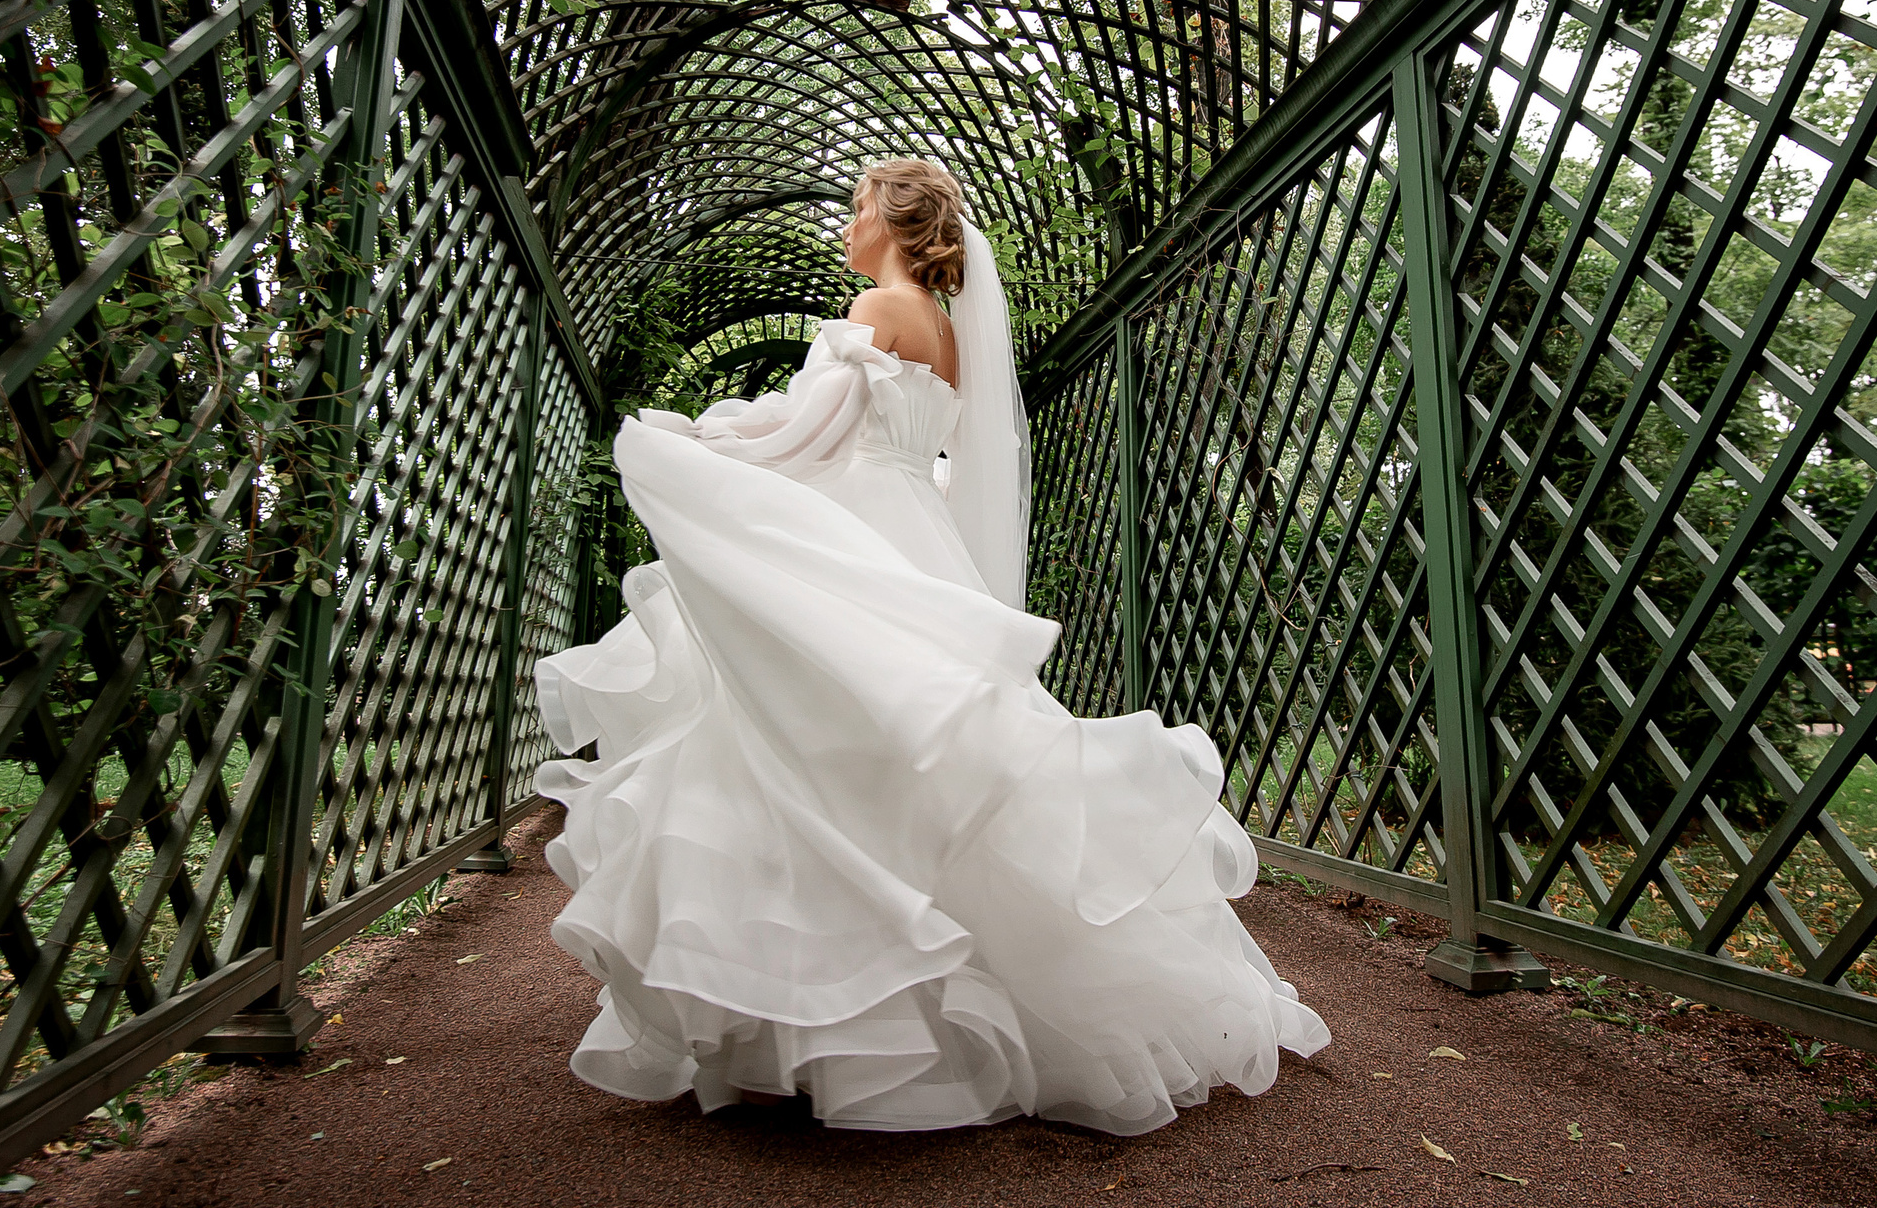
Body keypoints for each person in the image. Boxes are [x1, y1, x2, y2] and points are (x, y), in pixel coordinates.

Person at [532, 158, 1330, 1135]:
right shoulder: (946, 331)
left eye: (857, 207)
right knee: (898, 764)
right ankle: (866, 1020)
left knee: (805, 753)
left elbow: (807, 438)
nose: (846, 224)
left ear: (895, 222)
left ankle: (795, 1022)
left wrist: (694, 447)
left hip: (862, 534)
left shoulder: (878, 307)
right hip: (917, 534)